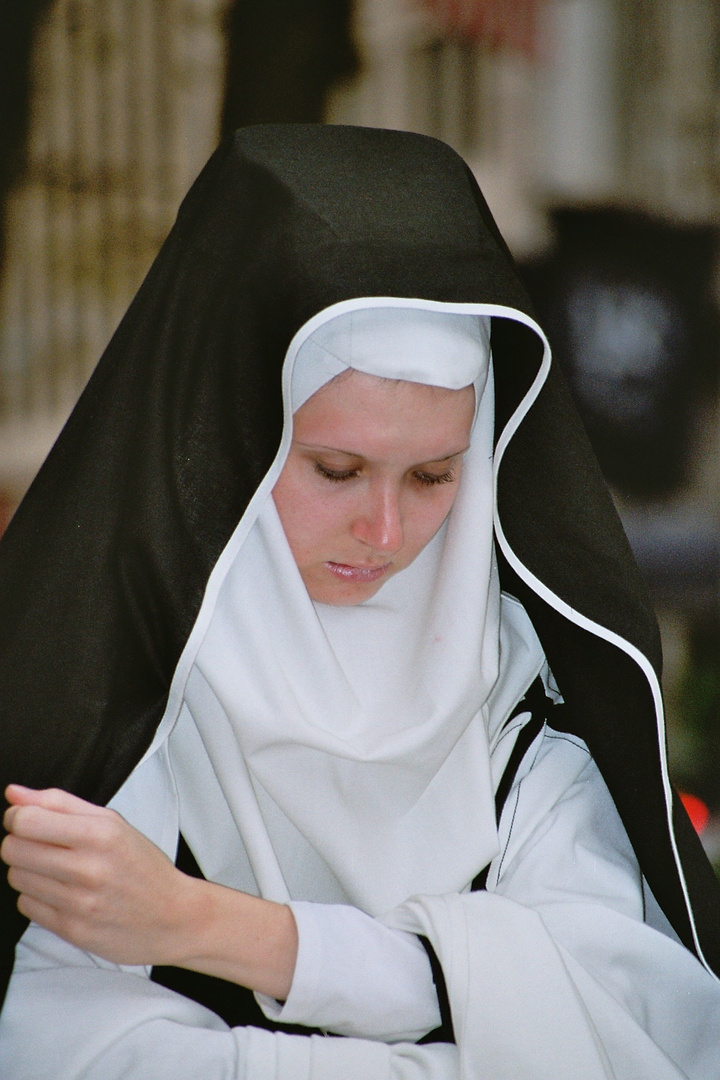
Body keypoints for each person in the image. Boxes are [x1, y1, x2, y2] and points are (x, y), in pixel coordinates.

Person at [1, 124, 719, 1079]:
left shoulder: (520, 689)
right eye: (336, 468)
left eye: (432, 476)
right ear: (232, 433)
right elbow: (64, 1049)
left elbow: (642, 1018)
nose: (385, 532)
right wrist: (476, 1012)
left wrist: (204, 925)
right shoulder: (112, 694)